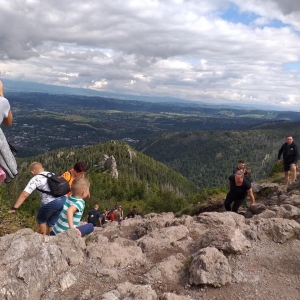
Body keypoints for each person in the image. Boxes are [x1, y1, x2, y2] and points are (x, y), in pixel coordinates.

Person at [9, 162, 67, 235]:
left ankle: (43, 239)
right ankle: (52, 239)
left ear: (32, 172)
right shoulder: (51, 174)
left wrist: (14, 208)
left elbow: (24, 194)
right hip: (63, 199)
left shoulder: (36, 178)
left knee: (41, 220)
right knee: (52, 223)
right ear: (42, 168)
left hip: (51, 202)